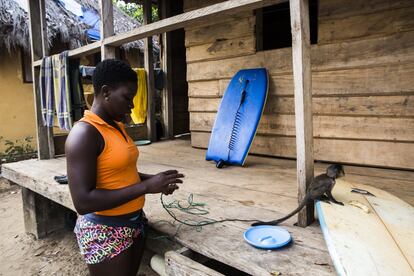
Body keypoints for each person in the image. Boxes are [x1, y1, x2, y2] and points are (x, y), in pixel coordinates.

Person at [65, 59, 184, 276]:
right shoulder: (84, 134)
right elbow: (83, 201)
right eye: (127, 98)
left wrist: (154, 180)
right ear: (106, 91)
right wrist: (146, 187)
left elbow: (120, 172)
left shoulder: (116, 126)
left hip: (133, 223)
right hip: (105, 230)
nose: (131, 105)